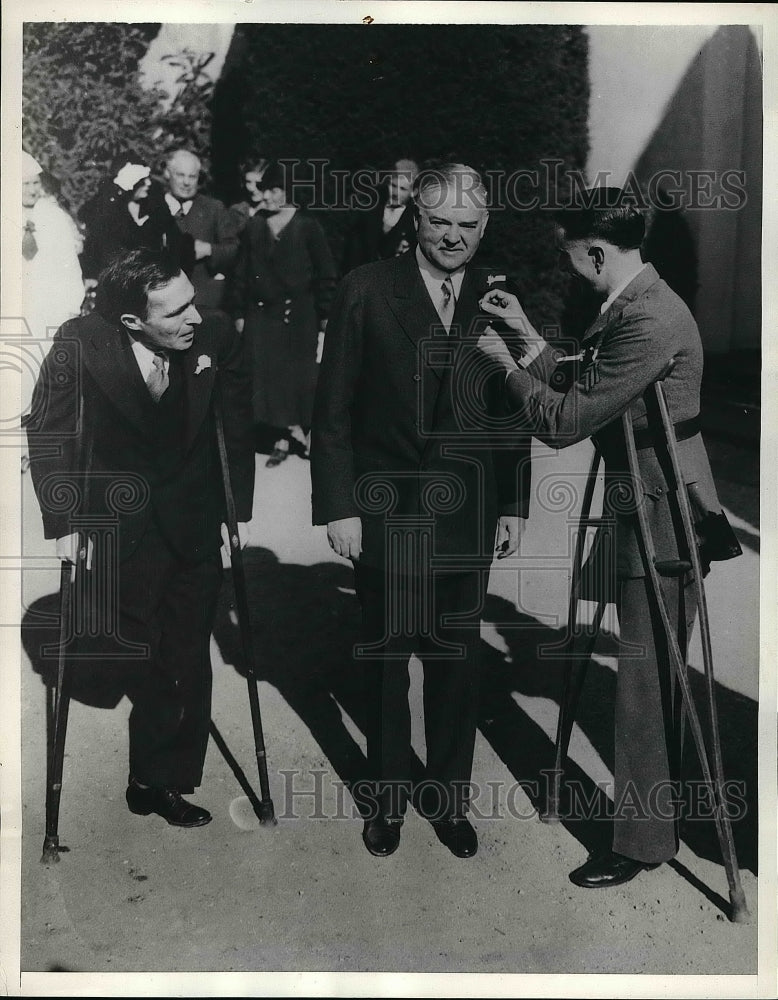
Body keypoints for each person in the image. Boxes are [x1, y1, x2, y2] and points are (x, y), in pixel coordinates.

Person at [476, 189, 740, 888]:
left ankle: (645, 842)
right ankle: (674, 817)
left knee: (647, 685)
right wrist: (526, 336)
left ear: (596, 252)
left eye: (571, 254)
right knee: (651, 675)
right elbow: (585, 380)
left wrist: (501, 368)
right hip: (643, 498)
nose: (569, 266)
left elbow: (565, 420)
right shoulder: (633, 302)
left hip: (661, 511)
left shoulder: (648, 318)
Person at [311, 164, 528, 859]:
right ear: (416, 220)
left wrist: (515, 504)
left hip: (467, 513)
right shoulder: (367, 290)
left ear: (485, 226)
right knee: (384, 664)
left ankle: (447, 799)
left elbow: (510, 410)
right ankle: (386, 801)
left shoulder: (497, 299)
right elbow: (333, 410)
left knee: (457, 664)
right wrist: (339, 507)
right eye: (441, 225)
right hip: (387, 511)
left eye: (468, 227)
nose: (454, 238)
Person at [25, 248, 255, 828]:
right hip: (122, 523)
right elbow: (50, 428)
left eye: (192, 303)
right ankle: (147, 757)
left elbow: (237, 421)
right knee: (140, 645)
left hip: (193, 518)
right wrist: (66, 520)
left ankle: (162, 781)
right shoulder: (83, 342)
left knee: (184, 655)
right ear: (132, 321)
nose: (193, 319)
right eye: (174, 313)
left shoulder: (215, 337)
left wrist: (237, 512)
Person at [229, 160, 338, 466]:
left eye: (273, 190)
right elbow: (241, 272)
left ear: (288, 192)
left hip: (299, 317)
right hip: (262, 317)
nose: (265, 197)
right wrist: (238, 313)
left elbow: (326, 275)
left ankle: (310, 434)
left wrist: (326, 317)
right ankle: (280, 437)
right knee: (269, 381)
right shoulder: (254, 226)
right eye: (264, 190)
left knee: (302, 380)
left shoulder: (307, 226)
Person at [79, 155, 189, 288]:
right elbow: (99, 250)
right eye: (142, 181)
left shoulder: (154, 204)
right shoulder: (109, 213)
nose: (148, 183)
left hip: (154, 282)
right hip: (121, 285)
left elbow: (174, 238)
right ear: (129, 184)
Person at [164, 149, 240, 313]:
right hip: (164, 299)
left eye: (192, 177)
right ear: (167, 173)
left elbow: (234, 249)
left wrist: (209, 250)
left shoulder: (213, 208)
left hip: (202, 300)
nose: (186, 182)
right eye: (180, 175)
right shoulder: (156, 207)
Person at [22, 150, 85, 345]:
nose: (32, 190)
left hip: (49, 307)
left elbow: (70, 265)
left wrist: (72, 306)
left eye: (36, 183)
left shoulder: (54, 217)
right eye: (26, 184)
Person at [341, 158, 419, 273]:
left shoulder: (415, 220)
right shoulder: (369, 209)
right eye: (393, 185)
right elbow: (352, 252)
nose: (395, 193)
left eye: (403, 189)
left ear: (413, 192)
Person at [229, 158, 268, 234]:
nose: (252, 188)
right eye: (248, 182)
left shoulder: (277, 210)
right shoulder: (236, 210)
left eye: (258, 184)